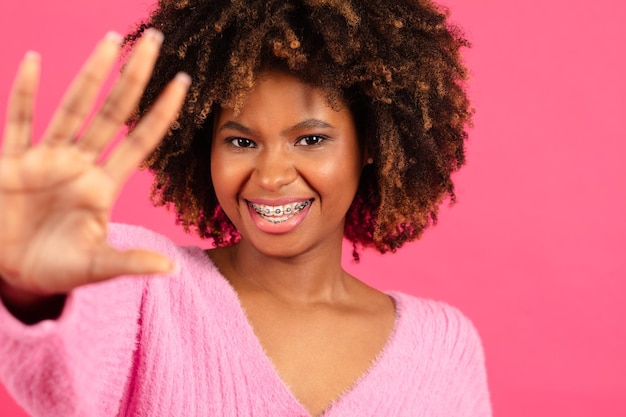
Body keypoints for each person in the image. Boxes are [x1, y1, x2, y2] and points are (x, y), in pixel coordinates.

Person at [0, 0, 491, 416]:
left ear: (370, 145)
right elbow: (58, 377)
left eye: (311, 139)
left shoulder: (442, 347)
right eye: (240, 141)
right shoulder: (144, 284)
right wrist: (29, 292)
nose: (272, 176)